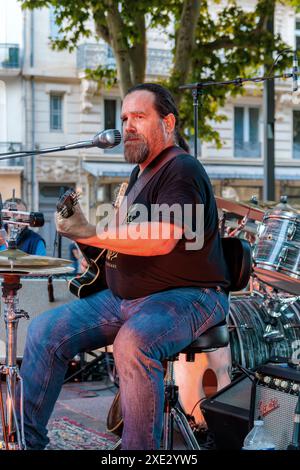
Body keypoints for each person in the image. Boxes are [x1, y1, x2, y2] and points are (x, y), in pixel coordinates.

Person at [17, 83, 230, 450]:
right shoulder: (137, 177)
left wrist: (92, 229)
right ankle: (26, 442)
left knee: (134, 343)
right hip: (124, 299)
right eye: (124, 118)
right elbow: (115, 246)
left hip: (189, 296)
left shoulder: (181, 168)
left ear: (168, 123)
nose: (127, 126)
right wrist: (82, 235)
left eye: (139, 117)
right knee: (44, 330)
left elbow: (163, 237)